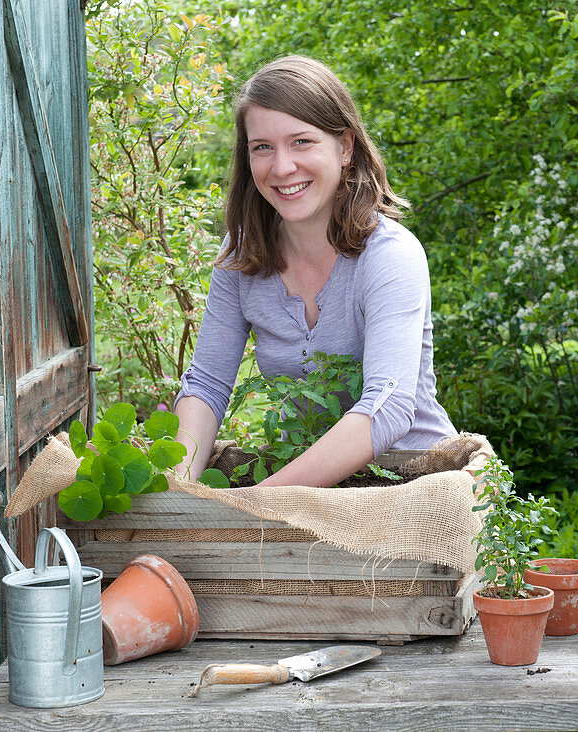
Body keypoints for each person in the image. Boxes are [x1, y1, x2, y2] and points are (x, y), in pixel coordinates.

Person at [174, 55, 456, 486]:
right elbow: (208, 385)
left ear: (345, 147)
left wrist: (256, 506)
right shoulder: (242, 255)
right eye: (262, 147)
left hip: (410, 485)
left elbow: (388, 408)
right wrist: (179, 494)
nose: (281, 167)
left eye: (301, 142)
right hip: (299, 489)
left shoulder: (390, 257)